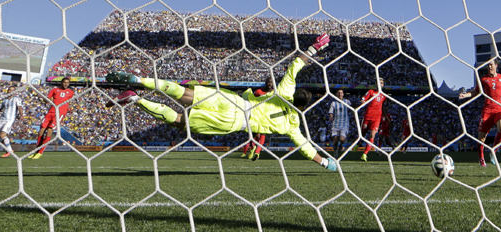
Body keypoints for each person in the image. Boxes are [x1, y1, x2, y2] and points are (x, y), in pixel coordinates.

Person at [106, 34, 338, 171]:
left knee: (184, 93)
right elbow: (307, 150)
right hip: (234, 121)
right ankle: (134, 98)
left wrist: (314, 47)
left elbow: (295, 65)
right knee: (179, 120)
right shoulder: (293, 125)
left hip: (233, 102)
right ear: (304, 108)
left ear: (296, 95)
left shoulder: (285, 92)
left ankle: (141, 80)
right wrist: (326, 163)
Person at [459, 58, 501, 167]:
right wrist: (465, 95)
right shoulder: (483, 79)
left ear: (496, 66)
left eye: (491, 65)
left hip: (500, 109)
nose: (489, 67)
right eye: (488, 65)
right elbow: (476, 92)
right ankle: (481, 158)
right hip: (487, 110)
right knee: (481, 138)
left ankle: (494, 152)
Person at [28, 77, 74, 159]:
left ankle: (40, 152)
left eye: (67, 83)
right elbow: (48, 98)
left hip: (60, 113)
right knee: (41, 130)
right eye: (64, 82)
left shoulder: (70, 92)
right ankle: (36, 151)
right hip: (51, 111)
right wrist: (48, 101)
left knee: (50, 130)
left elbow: (69, 102)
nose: (66, 84)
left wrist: (67, 108)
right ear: (61, 82)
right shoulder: (55, 90)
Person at [242, 77, 273, 161]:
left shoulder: (274, 93)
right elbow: (251, 100)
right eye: (268, 82)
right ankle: (252, 148)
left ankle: (257, 152)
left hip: (266, 116)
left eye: (271, 82)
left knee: (263, 134)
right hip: (256, 115)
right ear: (266, 83)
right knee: (255, 135)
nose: (270, 84)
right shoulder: (259, 91)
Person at [0, 85, 23, 158]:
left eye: (11, 90)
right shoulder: (5, 100)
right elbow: (0, 109)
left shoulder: (16, 99)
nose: (9, 91)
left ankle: (9, 150)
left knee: (2, 135)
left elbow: (19, 107)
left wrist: (21, 115)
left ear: (14, 91)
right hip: (2, 119)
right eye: (9, 90)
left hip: (10, 119)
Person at [360, 77, 386, 162]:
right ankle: (358, 144)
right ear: (376, 84)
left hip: (376, 118)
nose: (380, 84)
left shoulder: (384, 96)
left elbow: (383, 107)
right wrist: (363, 102)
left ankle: (365, 154)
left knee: (372, 135)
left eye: (382, 83)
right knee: (362, 134)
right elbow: (363, 99)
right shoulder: (371, 92)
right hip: (368, 117)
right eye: (379, 82)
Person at [329, 88, 351, 158]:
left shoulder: (347, 102)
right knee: (335, 140)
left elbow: (351, 109)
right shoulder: (333, 103)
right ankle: (335, 152)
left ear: (343, 94)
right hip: (336, 124)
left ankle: (341, 145)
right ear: (336, 94)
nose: (340, 94)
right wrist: (331, 116)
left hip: (344, 124)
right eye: (338, 93)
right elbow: (331, 112)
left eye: (341, 93)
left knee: (342, 139)